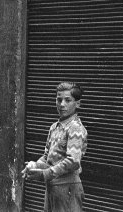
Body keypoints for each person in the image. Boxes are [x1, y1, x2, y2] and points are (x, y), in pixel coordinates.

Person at [22, 82, 88, 212]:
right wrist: (34, 165)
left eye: (67, 100)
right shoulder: (54, 127)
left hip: (68, 188)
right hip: (53, 187)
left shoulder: (75, 128)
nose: (62, 104)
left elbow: (73, 161)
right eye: (59, 99)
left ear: (77, 104)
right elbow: (47, 157)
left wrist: (45, 174)